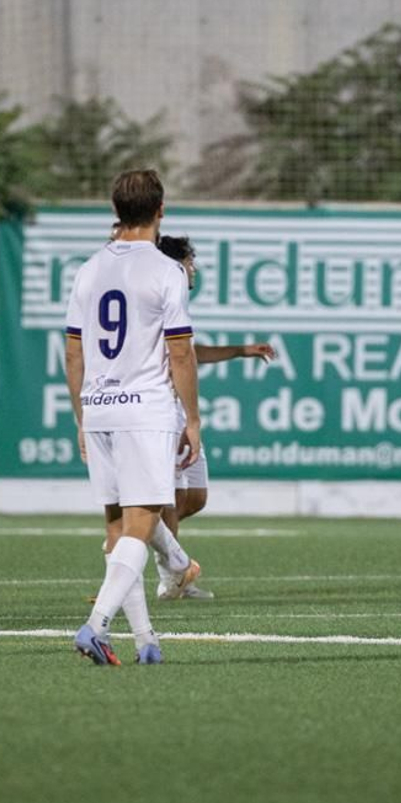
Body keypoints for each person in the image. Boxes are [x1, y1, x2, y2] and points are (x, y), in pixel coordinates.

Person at [65, 170, 201, 666]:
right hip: (145, 410)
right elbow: (181, 353)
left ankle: (146, 641)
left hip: (99, 409)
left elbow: (73, 352)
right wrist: (193, 419)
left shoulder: (89, 269)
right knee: (140, 527)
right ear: (161, 211)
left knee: (119, 530)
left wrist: (82, 415)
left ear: (115, 210)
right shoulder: (167, 270)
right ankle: (96, 626)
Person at [152, 234, 277, 601]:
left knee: (196, 497)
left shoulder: (175, 300)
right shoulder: (160, 297)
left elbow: (189, 353)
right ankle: (172, 578)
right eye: (190, 261)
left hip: (177, 409)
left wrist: (240, 350)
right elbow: (176, 357)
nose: (194, 268)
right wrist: (190, 418)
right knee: (172, 498)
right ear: (176, 264)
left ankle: (140, 533)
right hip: (163, 407)